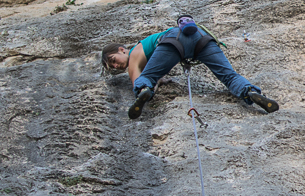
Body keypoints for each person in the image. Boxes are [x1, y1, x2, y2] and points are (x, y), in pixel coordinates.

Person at [102, 16, 279, 119]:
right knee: (229, 76)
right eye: (113, 66)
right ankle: (249, 91)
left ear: (121, 49)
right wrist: (160, 78)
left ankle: (144, 88)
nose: (116, 65)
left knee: (145, 79)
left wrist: (144, 89)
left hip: (174, 42)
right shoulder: (146, 52)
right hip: (201, 37)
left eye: (113, 60)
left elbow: (139, 76)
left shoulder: (134, 54)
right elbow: (159, 67)